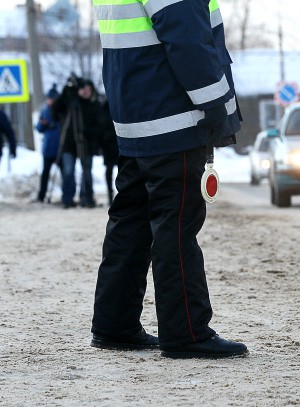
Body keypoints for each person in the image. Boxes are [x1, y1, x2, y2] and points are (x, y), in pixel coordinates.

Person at [90, 0, 247, 359]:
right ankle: (187, 333)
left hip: (135, 115)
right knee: (176, 225)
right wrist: (217, 103)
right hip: (173, 115)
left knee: (130, 223)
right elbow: (187, 38)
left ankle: (115, 325)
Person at [53, 77, 102, 209]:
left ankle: (87, 197)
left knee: (86, 171)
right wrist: (66, 89)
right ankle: (67, 198)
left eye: (88, 89)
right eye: (82, 89)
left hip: (87, 143)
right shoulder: (72, 103)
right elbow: (56, 110)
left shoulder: (95, 105)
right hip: (69, 143)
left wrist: (95, 141)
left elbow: (100, 125)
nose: (85, 92)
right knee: (68, 171)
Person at [35, 84, 63, 203]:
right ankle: (41, 196)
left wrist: (52, 125)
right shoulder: (45, 111)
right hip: (48, 149)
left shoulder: (62, 111)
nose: (50, 101)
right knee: (45, 174)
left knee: (65, 174)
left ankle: (66, 196)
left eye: (52, 98)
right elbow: (39, 128)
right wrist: (43, 124)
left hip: (60, 148)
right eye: (49, 98)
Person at [99, 99, 119, 206]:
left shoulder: (116, 103)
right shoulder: (104, 107)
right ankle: (110, 195)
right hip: (108, 145)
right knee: (110, 170)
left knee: (121, 170)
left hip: (118, 144)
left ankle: (117, 195)